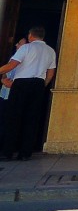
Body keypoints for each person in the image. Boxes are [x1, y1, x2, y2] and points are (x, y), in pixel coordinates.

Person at [0, 27, 57, 161]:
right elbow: (51, 72)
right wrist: (42, 84)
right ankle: (25, 152)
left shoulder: (26, 48)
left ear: (30, 35)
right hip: (38, 84)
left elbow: (12, 65)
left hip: (21, 83)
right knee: (32, 118)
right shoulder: (50, 51)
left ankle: (8, 151)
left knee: (14, 117)